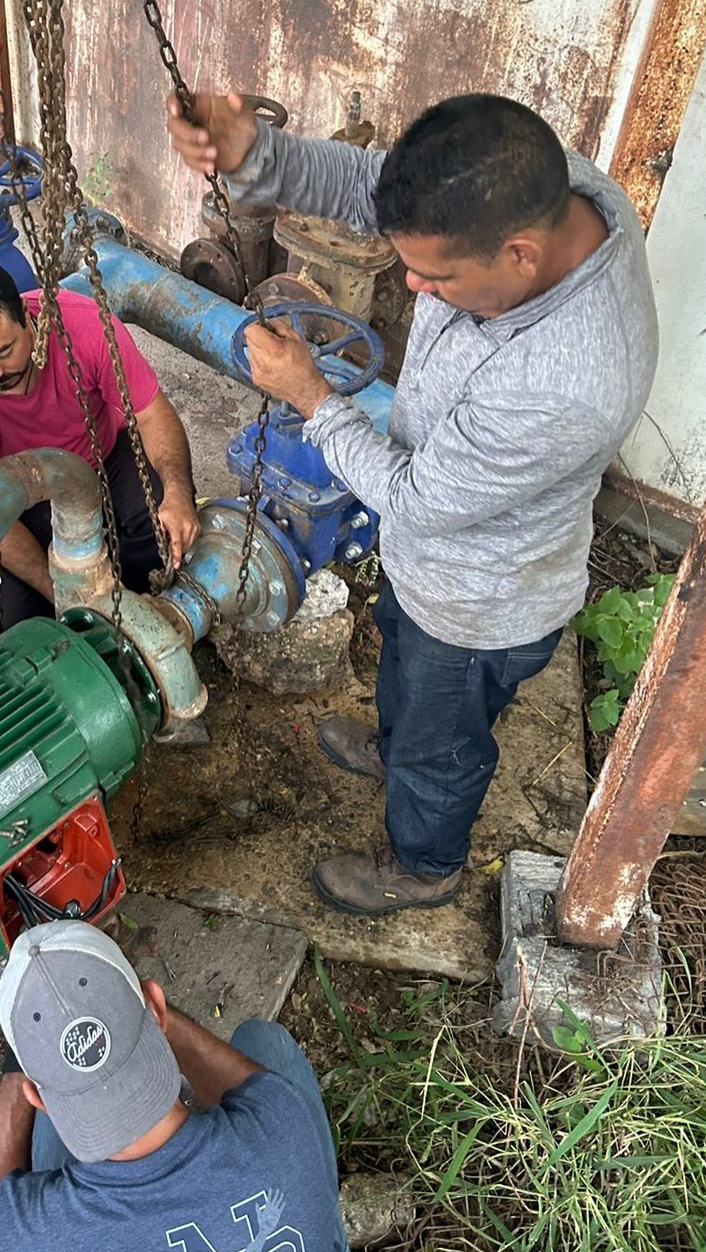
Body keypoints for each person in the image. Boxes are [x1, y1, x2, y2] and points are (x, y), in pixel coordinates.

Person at [168, 91, 658, 916]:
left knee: (444, 741)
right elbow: (376, 187)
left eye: (438, 276)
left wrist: (313, 396)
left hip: (479, 602)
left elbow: (413, 498)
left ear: (520, 254)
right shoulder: (553, 186)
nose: (414, 286)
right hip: (434, 569)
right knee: (402, 661)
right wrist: (257, 155)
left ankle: (425, 865)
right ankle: (398, 745)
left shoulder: (569, 381)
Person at [0, 919, 346, 1252]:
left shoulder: (31, 1232)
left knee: (49, 1134)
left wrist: (18, 1072)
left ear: (35, 1094)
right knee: (265, 1043)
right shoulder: (282, 1123)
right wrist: (142, 1016)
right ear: (156, 1004)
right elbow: (260, 1089)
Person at [0, 254, 200, 630]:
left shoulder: (84, 326)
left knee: (162, 526)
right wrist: (65, 595)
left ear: (25, 313)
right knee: (6, 620)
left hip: (102, 458)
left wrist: (178, 493)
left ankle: (148, 607)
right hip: (13, 503)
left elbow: (150, 413)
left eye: (3, 352)